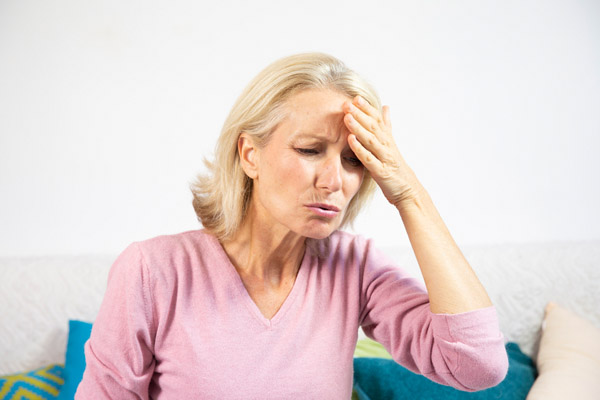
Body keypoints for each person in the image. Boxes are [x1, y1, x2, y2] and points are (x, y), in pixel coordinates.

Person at [76, 52, 508, 399]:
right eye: (309, 149)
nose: (334, 180)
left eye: (355, 160)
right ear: (250, 155)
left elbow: (478, 365)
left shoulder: (355, 268)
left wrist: (410, 195)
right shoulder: (153, 272)